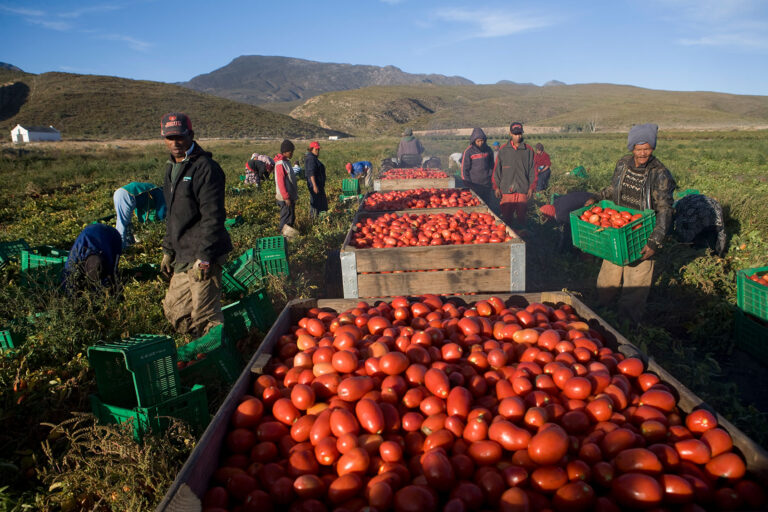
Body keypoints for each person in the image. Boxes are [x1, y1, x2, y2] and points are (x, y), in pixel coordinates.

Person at [590, 123, 676, 323]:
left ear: (652, 148)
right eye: (638, 149)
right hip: (618, 229)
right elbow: (614, 189)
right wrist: (597, 197)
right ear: (632, 148)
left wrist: (655, 240)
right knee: (608, 276)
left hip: (643, 231)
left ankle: (627, 326)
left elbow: (665, 208)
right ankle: (602, 314)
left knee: (636, 281)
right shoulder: (623, 164)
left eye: (647, 149)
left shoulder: (660, 173)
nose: (643, 153)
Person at [158, 112, 233, 338]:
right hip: (182, 253)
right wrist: (167, 250)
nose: (175, 143)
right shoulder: (171, 169)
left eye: (179, 137)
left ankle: (219, 360)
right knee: (176, 311)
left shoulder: (205, 168)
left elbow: (213, 216)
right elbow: (173, 215)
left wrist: (205, 256)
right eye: (170, 138)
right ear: (164, 139)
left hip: (203, 253)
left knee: (205, 315)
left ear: (190, 135)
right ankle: (199, 351)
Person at [492, 121, 535, 227]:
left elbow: (533, 170)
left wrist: (531, 187)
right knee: (506, 218)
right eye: (515, 134)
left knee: (522, 217)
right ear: (510, 134)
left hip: (522, 189)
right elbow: (497, 170)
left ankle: (523, 237)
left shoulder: (528, 150)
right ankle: (509, 239)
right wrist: (496, 187)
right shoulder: (503, 150)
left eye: (520, 133)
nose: (517, 136)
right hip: (506, 189)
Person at [62, 223, 123, 293]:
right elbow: (67, 271)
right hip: (90, 232)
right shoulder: (79, 249)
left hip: (113, 235)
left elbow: (112, 274)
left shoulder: (110, 255)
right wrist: (70, 292)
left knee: (113, 273)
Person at [113, 182, 166, 248]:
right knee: (122, 223)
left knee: (126, 223)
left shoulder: (152, 188)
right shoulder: (160, 191)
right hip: (126, 195)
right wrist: (161, 222)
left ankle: (129, 244)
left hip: (120, 193)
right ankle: (120, 247)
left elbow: (142, 209)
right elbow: (161, 211)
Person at [460, 127, 495, 208]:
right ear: (474, 141)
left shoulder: (488, 150)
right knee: (476, 205)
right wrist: (468, 184)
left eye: (482, 140)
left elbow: (492, 165)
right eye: (478, 141)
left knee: (487, 205)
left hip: (486, 184)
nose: (480, 143)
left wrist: (491, 177)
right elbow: (464, 169)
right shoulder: (469, 152)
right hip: (474, 184)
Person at [274, 139, 299, 236]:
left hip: (289, 196)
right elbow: (281, 183)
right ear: (285, 151)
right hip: (285, 198)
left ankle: (289, 238)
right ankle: (283, 238)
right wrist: (286, 197)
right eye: (291, 151)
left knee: (291, 217)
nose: (292, 153)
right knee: (286, 219)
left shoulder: (285, 162)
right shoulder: (280, 164)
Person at [304, 141, 327, 222]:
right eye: (316, 149)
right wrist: (314, 185)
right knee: (316, 205)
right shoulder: (311, 159)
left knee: (320, 204)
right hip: (315, 186)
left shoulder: (313, 158)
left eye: (318, 149)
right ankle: (314, 221)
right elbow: (311, 173)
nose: (318, 151)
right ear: (311, 149)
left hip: (318, 185)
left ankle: (319, 221)